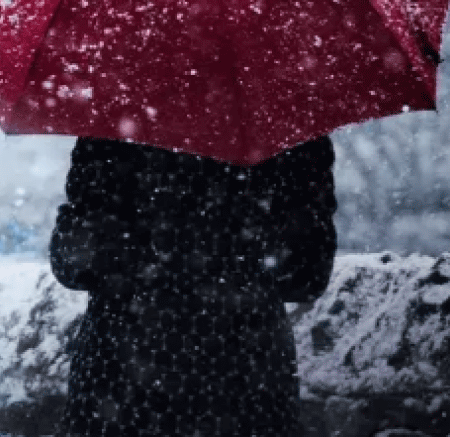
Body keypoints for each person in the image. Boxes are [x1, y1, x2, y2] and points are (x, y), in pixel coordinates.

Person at [49, 136, 337, 437]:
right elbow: (307, 277)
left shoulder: (115, 123)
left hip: (120, 388)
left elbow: (73, 265)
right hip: (248, 386)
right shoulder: (287, 125)